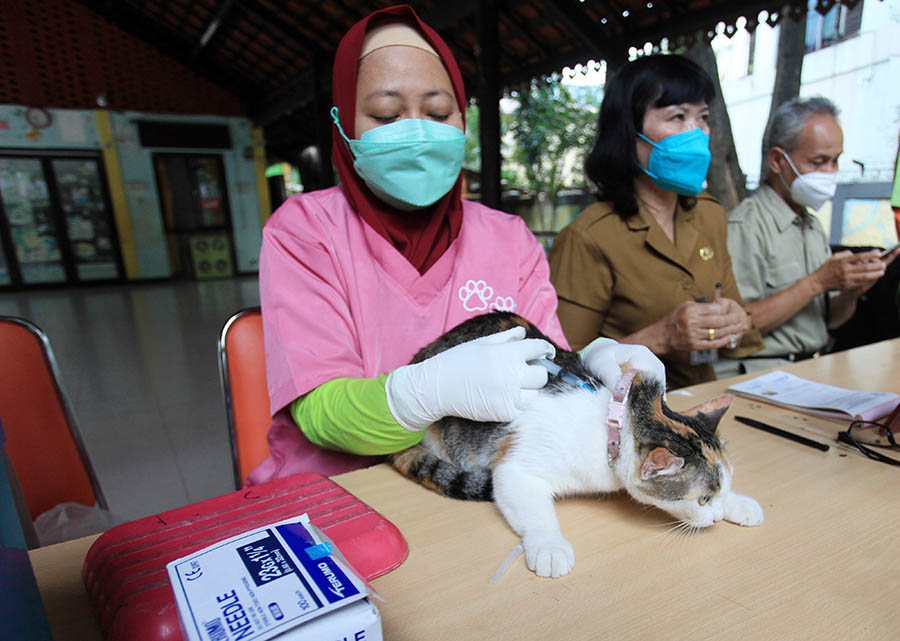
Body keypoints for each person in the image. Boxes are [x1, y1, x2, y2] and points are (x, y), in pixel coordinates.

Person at [247, 5, 662, 484]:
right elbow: (319, 414)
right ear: (343, 126)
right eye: (386, 115)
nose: (418, 132)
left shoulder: (508, 238)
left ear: (462, 119)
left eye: (439, 112)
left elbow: (547, 364)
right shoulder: (305, 231)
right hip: (337, 488)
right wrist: (424, 394)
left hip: (472, 481)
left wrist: (597, 362)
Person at [548, 54, 763, 390]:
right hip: (621, 419)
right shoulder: (589, 236)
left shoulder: (710, 214)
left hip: (700, 400)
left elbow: (738, 320)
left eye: (702, 118)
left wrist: (735, 322)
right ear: (629, 133)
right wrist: (660, 338)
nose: (696, 133)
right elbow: (561, 371)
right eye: (677, 117)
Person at [718, 97, 899, 376]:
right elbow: (731, 330)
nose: (831, 172)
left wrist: (852, 289)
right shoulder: (745, 226)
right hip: (759, 376)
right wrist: (818, 281)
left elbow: (829, 320)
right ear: (778, 160)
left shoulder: (812, 227)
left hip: (814, 367)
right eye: (819, 162)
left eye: (836, 160)